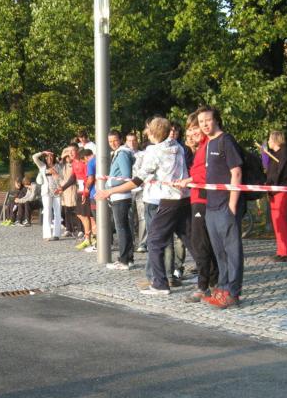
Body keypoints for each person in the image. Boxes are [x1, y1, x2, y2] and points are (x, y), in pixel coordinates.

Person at [96, 117, 189, 295]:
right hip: (182, 198)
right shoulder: (177, 147)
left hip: (167, 199)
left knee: (154, 241)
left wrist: (109, 191)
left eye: (148, 129)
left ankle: (160, 283)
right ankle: (210, 279)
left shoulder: (154, 150)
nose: (145, 132)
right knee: (189, 240)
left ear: (152, 132)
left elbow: (138, 180)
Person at [198, 106, 245, 309]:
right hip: (211, 206)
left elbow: (236, 172)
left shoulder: (226, 140)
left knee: (232, 251)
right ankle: (223, 288)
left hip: (226, 206)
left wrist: (232, 204)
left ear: (216, 120)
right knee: (219, 252)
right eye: (201, 122)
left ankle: (233, 293)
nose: (204, 125)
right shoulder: (209, 143)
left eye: (207, 120)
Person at [178, 111, 218, 302]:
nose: (193, 133)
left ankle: (204, 286)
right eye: (190, 129)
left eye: (196, 128)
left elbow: (210, 173)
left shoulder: (209, 146)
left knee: (200, 244)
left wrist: (189, 180)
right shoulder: (202, 146)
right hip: (198, 197)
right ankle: (213, 282)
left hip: (203, 199)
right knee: (204, 243)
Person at [104, 129, 135, 269]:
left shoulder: (122, 154)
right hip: (119, 195)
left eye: (115, 140)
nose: (112, 143)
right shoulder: (119, 153)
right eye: (110, 141)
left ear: (121, 139)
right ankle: (128, 258)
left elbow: (126, 176)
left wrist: (110, 182)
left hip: (121, 195)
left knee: (121, 229)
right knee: (124, 228)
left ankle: (124, 260)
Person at [264, 131, 287, 261]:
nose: (268, 142)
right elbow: (270, 172)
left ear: (275, 140)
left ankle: (285, 253)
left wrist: (273, 183)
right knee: (276, 221)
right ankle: (280, 250)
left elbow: (283, 172)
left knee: (280, 220)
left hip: (281, 189)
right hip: (274, 191)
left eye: (270, 139)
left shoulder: (284, 152)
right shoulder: (274, 154)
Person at [33, 150, 62, 240]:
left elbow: (62, 178)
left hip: (57, 191)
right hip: (46, 192)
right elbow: (34, 157)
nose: (49, 158)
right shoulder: (42, 166)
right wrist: (43, 152)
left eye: (51, 156)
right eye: (48, 156)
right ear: (45, 158)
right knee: (47, 212)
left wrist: (55, 173)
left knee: (57, 212)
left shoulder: (58, 166)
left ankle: (56, 234)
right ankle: (47, 235)